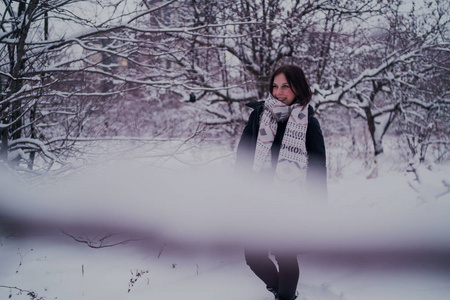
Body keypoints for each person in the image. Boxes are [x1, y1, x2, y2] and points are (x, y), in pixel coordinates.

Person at [235, 65, 327, 300]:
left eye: (285, 86)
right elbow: (243, 156)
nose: (279, 92)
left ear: (298, 88)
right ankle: (281, 291)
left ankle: (285, 297)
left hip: (290, 201)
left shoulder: (309, 123)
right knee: (253, 256)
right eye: (275, 86)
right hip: (258, 199)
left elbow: (317, 168)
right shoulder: (258, 116)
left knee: (285, 255)